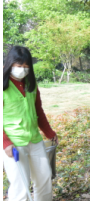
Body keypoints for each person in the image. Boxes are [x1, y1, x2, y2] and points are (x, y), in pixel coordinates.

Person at [3, 46, 58, 201]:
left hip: (34, 139)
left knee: (45, 179)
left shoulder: (31, 84)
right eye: (19, 66)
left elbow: (38, 111)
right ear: (10, 64)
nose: (23, 70)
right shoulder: (3, 85)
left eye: (26, 67)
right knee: (21, 187)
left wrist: (49, 133)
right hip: (13, 143)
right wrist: (5, 142)